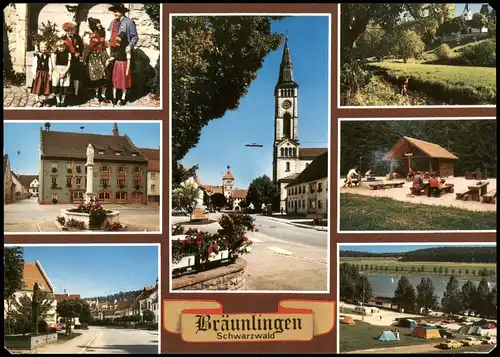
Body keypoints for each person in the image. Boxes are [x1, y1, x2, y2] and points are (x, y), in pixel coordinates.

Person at [84, 18, 110, 102]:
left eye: (99, 23)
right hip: (94, 57)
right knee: (96, 76)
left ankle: (103, 95)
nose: (99, 25)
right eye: (97, 24)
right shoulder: (93, 35)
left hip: (103, 56)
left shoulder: (102, 33)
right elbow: (89, 47)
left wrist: (108, 56)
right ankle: (96, 95)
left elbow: (105, 45)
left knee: (105, 75)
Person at [107, 32, 131, 106]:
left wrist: (127, 70)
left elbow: (129, 60)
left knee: (124, 82)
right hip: (117, 66)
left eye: (118, 42)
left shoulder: (127, 49)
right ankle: (114, 97)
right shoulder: (117, 49)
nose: (117, 43)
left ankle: (123, 98)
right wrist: (108, 60)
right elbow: (114, 56)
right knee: (115, 81)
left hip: (124, 66)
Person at [61, 21, 84, 98]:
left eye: (71, 30)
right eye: (68, 30)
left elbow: (81, 47)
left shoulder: (77, 37)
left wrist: (79, 53)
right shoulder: (62, 39)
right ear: (65, 31)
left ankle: (76, 93)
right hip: (67, 60)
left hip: (76, 60)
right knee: (67, 76)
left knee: (76, 77)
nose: (70, 32)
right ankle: (66, 92)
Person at [50, 40, 72, 107]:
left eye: (63, 47)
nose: (61, 48)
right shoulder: (54, 54)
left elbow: (69, 64)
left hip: (65, 70)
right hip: (57, 71)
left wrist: (64, 72)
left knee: (64, 87)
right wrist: (59, 72)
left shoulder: (68, 54)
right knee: (57, 86)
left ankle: (62, 101)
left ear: (65, 46)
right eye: (60, 47)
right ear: (57, 47)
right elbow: (54, 65)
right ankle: (58, 101)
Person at [31, 41, 52, 107]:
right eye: (42, 47)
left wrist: (50, 73)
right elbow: (34, 65)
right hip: (39, 73)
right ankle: (37, 99)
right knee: (38, 86)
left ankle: (46, 100)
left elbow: (50, 65)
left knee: (47, 86)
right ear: (39, 47)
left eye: (45, 47)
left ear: (47, 48)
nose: (43, 48)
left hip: (46, 73)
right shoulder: (37, 56)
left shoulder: (48, 56)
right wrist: (34, 73)